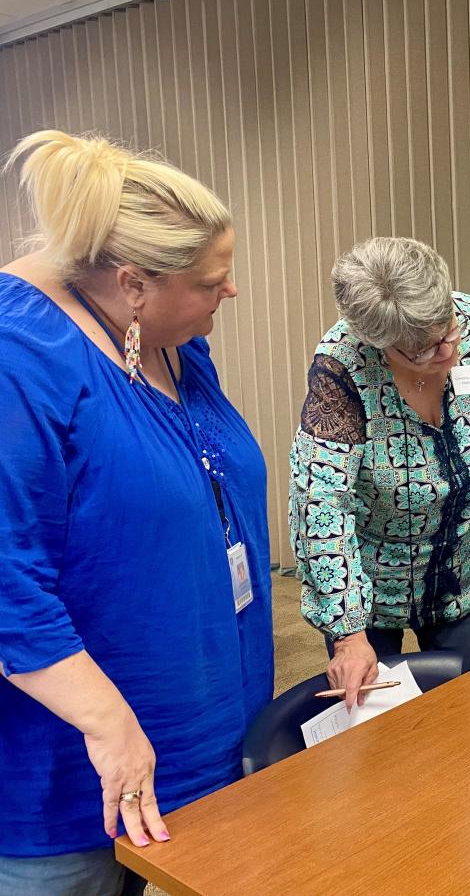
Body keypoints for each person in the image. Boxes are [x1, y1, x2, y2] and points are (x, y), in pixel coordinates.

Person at [0, 131, 273, 895]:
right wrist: (109, 725)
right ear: (133, 283)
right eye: (213, 280)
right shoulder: (20, 361)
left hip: (190, 730)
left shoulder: (168, 337)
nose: (232, 292)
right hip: (71, 781)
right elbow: (7, 585)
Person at [291, 237, 470, 706]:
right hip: (373, 592)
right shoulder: (342, 368)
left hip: (466, 574)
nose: (446, 352)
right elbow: (322, 502)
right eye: (420, 350)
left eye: (447, 330)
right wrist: (346, 633)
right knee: (379, 732)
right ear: (376, 344)